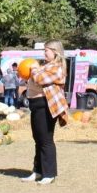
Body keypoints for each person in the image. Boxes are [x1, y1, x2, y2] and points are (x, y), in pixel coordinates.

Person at [22, 41, 68, 185]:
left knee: (46, 139)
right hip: (36, 105)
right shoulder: (45, 66)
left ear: (55, 51)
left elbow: (40, 79)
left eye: (46, 50)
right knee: (38, 138)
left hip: (46, 106)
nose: (44, 53)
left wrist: (34, 69)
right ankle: (38, 171)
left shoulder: (57, 68)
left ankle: (49, 173)